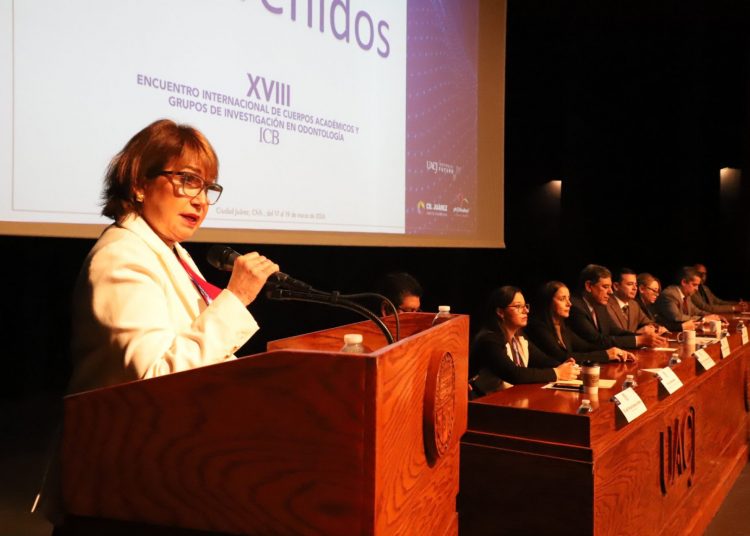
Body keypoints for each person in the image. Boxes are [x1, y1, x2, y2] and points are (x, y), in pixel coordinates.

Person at [68, 119, 280, 394]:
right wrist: (237, 297)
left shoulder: (171, 251)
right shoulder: (120, 258)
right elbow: (157, 378)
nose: (201, 200)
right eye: (188, 180)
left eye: (207, 187)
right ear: (140, 185)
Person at [469, 285, 579, 397]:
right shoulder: (489, 340)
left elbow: (542, 360)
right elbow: (515, 374)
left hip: (508, 398)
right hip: (483, 400)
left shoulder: (519, 338)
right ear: (500, 312)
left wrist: (567, 367)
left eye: (525, 306)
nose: (526, 311)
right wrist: (557, 373)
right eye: (518, 306)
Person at [526, 281, 633, 364]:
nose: (569, 304)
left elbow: (586, 347)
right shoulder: (537, 327)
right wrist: (606, 355)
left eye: (568, 298)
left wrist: (616, 351)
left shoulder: (563, 326)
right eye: (562, 299)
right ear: (548, 301)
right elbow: (561, 357)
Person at [568, 264, 664, 351]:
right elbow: (597, 340)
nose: (610, 292)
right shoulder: (575, 307)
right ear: (589, 286)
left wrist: (643, 337)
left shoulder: (599, 306)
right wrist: (638, 340)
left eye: (610, 287)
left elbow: (615, 331)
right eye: (605, 287)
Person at [654, 266, 721, 327]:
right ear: (684, 282)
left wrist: (712, 316)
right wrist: (703, 319)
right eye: (694, 285)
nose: (697, 289)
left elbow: (696, 311)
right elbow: (677, 317)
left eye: (698, 285)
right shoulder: (669, 295)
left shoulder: (686, 295)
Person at [606, 267, 665, 334]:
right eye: (630, 284)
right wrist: (637, 333)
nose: (635, 288)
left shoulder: (634, 304)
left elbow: (648, 322)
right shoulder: (606, 304)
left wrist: (658, 328)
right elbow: (611, 336)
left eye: (636, 285)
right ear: (616, 286)